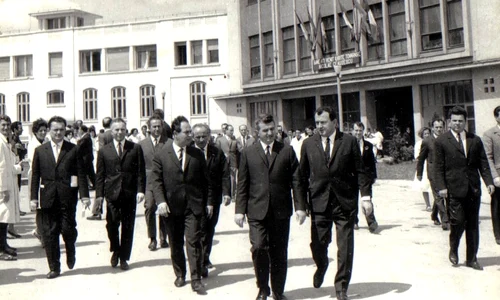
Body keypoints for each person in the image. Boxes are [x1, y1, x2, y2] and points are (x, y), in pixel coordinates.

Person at [299, 107, 371, 300]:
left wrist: (365, 197)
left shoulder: (349, 142)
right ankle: (321, 265)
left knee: (345, 246)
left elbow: (361, 171)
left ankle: (341, 287)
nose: (319, 126)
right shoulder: (308, 144)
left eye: (323, 122)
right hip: (319, 202)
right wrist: (300, 204)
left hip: (343, 202)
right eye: (317, 123)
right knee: (318, 244)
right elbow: (302, 176)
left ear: (335, 122)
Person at [235, 113, 306, 300]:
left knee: (279, 252)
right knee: (258, 247)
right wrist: (239, 211)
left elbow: (296, 181)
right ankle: (262, 287)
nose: (269, 133)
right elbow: (242, 183)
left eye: (272, 129)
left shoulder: (287, 151)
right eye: (265, 130)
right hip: (256, 211)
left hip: (280, 211)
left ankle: (278, 291)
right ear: (257, 132)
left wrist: (300, 206)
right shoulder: (248, 153)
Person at [150, 116, 212, 293]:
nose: (190, 135)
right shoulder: (161, 154)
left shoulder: (197, 154)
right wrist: (161, 201)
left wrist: (208, 203)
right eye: (187, 132)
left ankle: (195, 278)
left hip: (193, 206)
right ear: (175, 134)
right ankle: (180, 274)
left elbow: (206, 182)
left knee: (193, 241)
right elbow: (156, 181)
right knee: (175, 242)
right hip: (171, 207)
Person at [30, 116, 90, 279]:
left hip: (67, 197)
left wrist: (84, 195)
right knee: (50, 233)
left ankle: (70, 249)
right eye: (55, 130)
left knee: (67, 230)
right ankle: (54, 267)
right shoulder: (40, 151)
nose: (58, 133)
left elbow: (81, 174)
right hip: (48, 198)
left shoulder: (73, 149)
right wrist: (33, 198)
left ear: (65, 130)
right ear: (49, 131)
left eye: (61, 130)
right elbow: (35, 176)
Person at [434, 106, 494, 271]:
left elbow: (483, 164)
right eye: (454, 121)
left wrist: (488, 182)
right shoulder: (441, 141)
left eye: (461, 121)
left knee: (473, 225)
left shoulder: (475, 140)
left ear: (465, 122)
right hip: (453, 189)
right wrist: (441, 187)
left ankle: (472, 258)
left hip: (473, 189)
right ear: (449, 122)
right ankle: (453, 248)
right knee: (458, 222)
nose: (457, 124)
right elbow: (437, 167)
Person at [95, 118, 145, 271]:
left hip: (129, 193)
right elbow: (100, 175)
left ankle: (124, 257)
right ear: (111, 130)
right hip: (112, 194)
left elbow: (140, 172)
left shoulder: (135, 148)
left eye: (122, 129)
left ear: (126, 130)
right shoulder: (104, 150)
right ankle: (115, 249)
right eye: (116, 129)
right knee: (112, 224)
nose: (119, 132)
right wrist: (99, 196)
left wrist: (140, 190)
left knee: (128, 226)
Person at [193, 123, 231, 276]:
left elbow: (225, 173)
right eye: (198, 137)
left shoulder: (216, 152)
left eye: (204, 136)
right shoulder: (189, 151)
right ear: (193, 137)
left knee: (209, 229)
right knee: (198, 230)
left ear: (209, 136)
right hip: (195, 197)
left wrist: (227, 193)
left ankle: (205, 256)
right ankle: (200, 262)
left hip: (213, 198)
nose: (201, 139)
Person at [138, 116, 169, 251]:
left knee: (164, 209)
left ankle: (163, 237)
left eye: (159, 126)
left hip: (165, 182)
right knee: (150, 207)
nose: (156, 129)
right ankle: (152, 238)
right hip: (149, 182)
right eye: (154, 126)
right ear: (149, 128)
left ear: (162, 127)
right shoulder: (141, 144)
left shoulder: (169, 143)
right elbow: (139, 167)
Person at [416, 118, 449, 230]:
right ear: (432, 128)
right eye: (436, 127)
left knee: (440, 195)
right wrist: (419, 173)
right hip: (433, 172)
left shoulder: (447, 139)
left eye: (441, 127)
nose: (439, 129)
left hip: (445, 172)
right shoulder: (427, 141)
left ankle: (434, 215)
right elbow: (421, 159)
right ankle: (445, 220)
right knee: (439, 195)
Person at [0, 115, 22, 261]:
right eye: (3, 125)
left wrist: (17, 168)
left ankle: (4, 244)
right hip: (3, 187)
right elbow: (1, 168)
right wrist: (3, 189)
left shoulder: (5, 141)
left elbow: (7, 166)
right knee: (1, 218)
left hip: (7, 182)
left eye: (8, 125)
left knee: (4, 218)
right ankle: (1, 250)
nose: (6, 128)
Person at [352, 122, 378, 233]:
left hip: (365, 177)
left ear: (363, 131)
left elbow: (372, 162)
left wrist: (373, 176)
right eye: (356, 130)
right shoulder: (348, 144)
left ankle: (371, 222)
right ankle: (354, 221)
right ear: (353, 131)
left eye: (360, 130)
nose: (358, 132)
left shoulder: (368, 145)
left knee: (367, 199)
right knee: (352, 200)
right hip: (352, 177)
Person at [27, 118, 49, 245]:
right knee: (39, 208)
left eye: (44, 130)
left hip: (46, 178)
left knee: (44, 207)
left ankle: (39, 231)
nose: (43, 133)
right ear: (35, 132)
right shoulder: (33, 145)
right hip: (36, 177)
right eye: (40, 131)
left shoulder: (46, 141)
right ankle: (41, 233)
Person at [88, 116, 113, 221]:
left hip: (104, 164)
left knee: (100, 187)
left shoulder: (102, 136)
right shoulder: (114, 134)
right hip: (114, 164)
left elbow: (101, 150)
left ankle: (97, 212)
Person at [482, 105, 500, 245]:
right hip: (499, 175)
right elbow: (488, 157)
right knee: (497, 205)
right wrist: (494, 176)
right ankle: (498, 234)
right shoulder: (489, 134)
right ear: (496, 117)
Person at [216, 124, 238, 199]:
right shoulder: (220, 139)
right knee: (223, 177)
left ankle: (232, 195)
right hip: (223, 161)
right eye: (230, 130)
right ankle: (225, 194)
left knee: (233, 178)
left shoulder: (235, 140)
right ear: (226, 131)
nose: (232, 132)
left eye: (233, 130)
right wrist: (222, 155)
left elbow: (237, 152)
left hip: (232, 162)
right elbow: (216, 151)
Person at [414, 127, 433, 212]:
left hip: (432, 164)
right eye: (425, 134)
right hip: (424, 165)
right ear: (422, 135)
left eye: (428, 133)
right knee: (424, 186)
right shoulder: (419, 143)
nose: (427, 135)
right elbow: (418, 156)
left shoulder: (433, 142)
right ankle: (428, 204)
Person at [77, 125, 96, 190]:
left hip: (86, 158)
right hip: (87, 158)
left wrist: (78, 141)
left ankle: (92, 185)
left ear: (82, 130)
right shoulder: (85, 137)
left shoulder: (86, 137)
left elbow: (80, 146)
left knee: (88, 173)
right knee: (90, 172)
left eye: (79, 130)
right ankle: (94, 185)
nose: (78, 131)